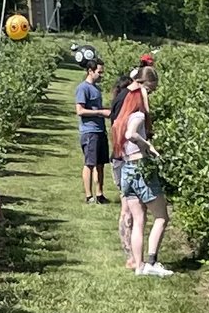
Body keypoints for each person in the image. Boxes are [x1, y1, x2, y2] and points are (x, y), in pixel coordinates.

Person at [116, 95, 172, 273]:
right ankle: (152, 262)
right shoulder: (138, 115)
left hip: (127, 169)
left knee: (138, 220)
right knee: (161, 217)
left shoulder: (123, 117)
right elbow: (130, 135)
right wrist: (149, 146)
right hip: (140, 168)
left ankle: (139, 265)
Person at [74, 55, 108, 200]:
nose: (101, 75)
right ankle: (89, 195)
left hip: (100, 130)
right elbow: (80, 111)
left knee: (100, 164)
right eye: (99, 72)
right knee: (90, 163)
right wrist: (100, 112)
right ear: (90, 71)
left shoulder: (97, 89)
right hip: (90, 131)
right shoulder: (83, 88)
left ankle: (100, 194)